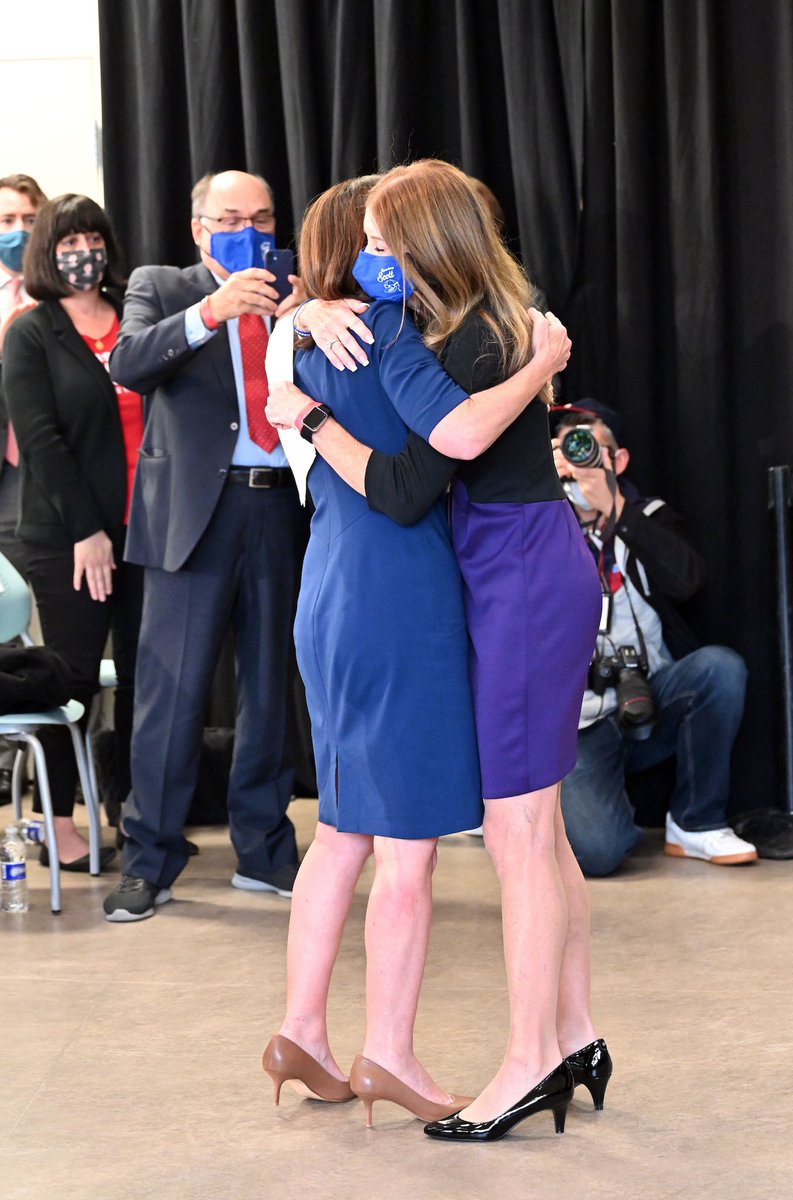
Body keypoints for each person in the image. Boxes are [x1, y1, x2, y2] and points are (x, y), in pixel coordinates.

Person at [267, 161, 607, 1142]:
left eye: (386, 242)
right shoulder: (477, 319)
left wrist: (305, 384)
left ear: (426, 241)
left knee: (517, 835)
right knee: (525, 832)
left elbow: (436, 455)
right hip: (499, 566)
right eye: (364, 244)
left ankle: (531, 1058)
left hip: (513, 571)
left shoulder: (461, 335)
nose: (372, 261)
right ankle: (567, 1035)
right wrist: (302, 329)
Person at [101, 170, 310, 922]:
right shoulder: (163, 283)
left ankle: (264, 848)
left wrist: (307, 318)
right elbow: (129, 364)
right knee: (172, 693)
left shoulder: (300, 282)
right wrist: (213, 311)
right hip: (192, 513)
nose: (250, 230)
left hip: (280, 506)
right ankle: (149, 858)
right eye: (230, 218)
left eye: (262, 217)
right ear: (199, 227)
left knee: (268, 688)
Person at [2, 193, 147, 870]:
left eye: (91, 238)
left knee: (153, 683)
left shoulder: (136, 317)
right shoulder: (31, 332)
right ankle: (57, 821)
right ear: (46, 253)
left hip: (150, 532)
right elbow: (40, 440)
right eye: (66, 242)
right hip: (69, 540)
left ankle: (138, 814)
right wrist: (89, 532)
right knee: (73, 680)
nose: (81, 252)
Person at [552, 399, 756, 874]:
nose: (578, 457)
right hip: (579, 721)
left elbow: (688, 580)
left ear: (618, 461)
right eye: (567, 447)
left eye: (589, 446)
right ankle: (545, 806)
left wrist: (617, 510)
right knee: (599, 854)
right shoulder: (541, 525)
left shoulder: (649, 514)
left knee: (719, 668)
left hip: (656, 696)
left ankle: (696, 822)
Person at [0, 174, 48, 803]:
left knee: (49, 639)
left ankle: (52, 792)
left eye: (29, 219)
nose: (18, 232)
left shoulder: (60, 295)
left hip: (45, 479)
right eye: (7, 219)